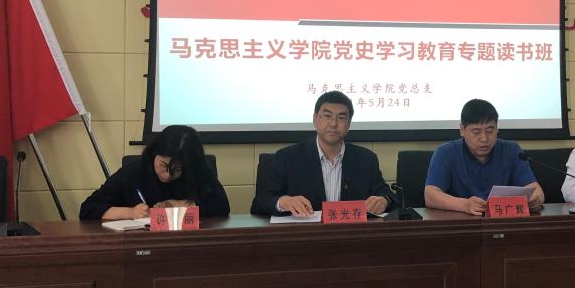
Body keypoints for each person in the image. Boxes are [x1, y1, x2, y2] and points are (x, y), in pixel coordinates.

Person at [250, 90, 394, 217]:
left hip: (351, 235)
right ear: (315, 119)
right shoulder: (287, 158)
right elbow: (260, 203)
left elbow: (389, 196)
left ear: (349, 124)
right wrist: (283, 202)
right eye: (327, 116)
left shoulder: (366, 159)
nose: (333, 123)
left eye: (341, 118)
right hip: (305, 235)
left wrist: (384, 201)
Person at [79, 124, 230, 220]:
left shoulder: (196, 170)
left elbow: (222, 207)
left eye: (177, 169)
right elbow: (88, 209)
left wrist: (186, 205)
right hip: (141, 246)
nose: (168, 175)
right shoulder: (134, 172)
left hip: (188, 245)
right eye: (163, 165)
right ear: (154, 153)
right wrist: (130, 212)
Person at [424, 98, 544, 215]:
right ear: (462, 130)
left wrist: (534, 200)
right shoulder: (446, 153)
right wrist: (465, 205)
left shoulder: (512, 150)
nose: (484, 139)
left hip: (502, 222)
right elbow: (430, 195)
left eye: (490, 131)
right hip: (461, 221)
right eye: (476, 132)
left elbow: (535, 190)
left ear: (497, 128)